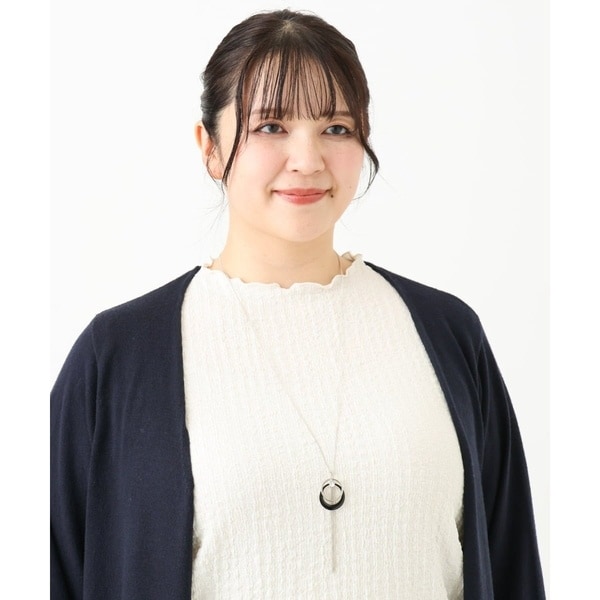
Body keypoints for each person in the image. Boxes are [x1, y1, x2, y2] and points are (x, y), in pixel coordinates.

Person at [50, 8, 546, 599]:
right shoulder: (117, 357)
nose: (307, 160)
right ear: (210, 147)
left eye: (336, 127)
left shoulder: (448, 334)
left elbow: (512, 568)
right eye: (270, 126)